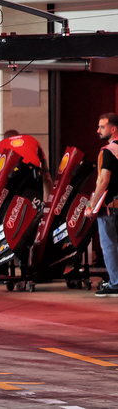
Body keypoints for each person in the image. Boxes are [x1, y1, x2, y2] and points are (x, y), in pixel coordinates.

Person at [84, 112, 118, 296]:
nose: (98, 130)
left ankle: (116, 284)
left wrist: (91, 205)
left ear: (113, 129)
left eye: (102, 127)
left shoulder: (109, 151)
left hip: (110, 208)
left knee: (110, 246)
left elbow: (103, 181)